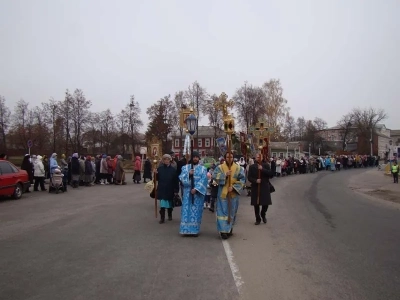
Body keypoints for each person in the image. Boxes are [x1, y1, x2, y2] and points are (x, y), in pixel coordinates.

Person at [213, 151, 245, 239]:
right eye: (227, 157)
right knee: (222, 212)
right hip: (222, 193)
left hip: (233, 193)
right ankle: (223, 231)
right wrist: (225, 175)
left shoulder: (238, 168)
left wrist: (234, 187)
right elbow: (214, 176)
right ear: (225, 158)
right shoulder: (220, 167)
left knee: (232, 211)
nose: (229, 159)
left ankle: (229, 228)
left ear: (233, 158)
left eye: (231, 157)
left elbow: (242, 179)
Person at [178, 151, 208, 236]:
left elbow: (204, 180)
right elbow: (181, 178)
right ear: (191, 158)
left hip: (197, 194)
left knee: (196, 212)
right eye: (194, 157)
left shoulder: (203, 169)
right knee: (186, 211)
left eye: (197, 157)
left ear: (199, 158)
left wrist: (196, 189)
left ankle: (194, 230)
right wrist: (188, 174)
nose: (195, 158)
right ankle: (185, 229)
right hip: (187, 192)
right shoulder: (185, 168)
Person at [247, 153, 274, 225]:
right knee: (256, 204)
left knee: (266, 203)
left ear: (262, 158)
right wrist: (255, 180)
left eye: (259, 157)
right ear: (255, 158)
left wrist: (262, 169)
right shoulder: (252, 167)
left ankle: (263, 213)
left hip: (264, 186)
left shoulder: (266, 165)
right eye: (257, 157)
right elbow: (249, 177)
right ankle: (257, 218)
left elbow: (271, 174)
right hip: (256, 186)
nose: (258, 158)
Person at [154, 154, 179, 223]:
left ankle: (170, 214)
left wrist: (176, 190)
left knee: (169, 203)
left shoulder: (173, 170)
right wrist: (155, 174)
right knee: (162, 204)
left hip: (170, 189)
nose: (166, 161)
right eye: (165, 159)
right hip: (162, 188)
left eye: (168, 159)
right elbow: (156, 179)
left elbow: (176, 181)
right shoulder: (160, 169)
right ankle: (162, 218)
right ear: (163, 160)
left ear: (170, 160)